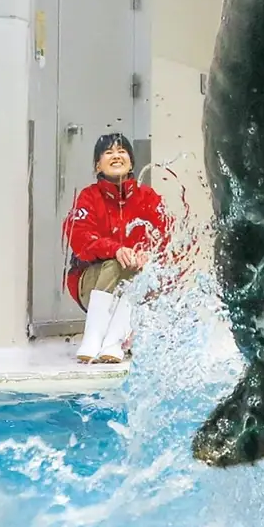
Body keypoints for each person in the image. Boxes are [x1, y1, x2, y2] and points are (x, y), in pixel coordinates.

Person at [62, 132, 176, 364]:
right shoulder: (89, 197)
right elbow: (78, 236)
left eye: (122, 151)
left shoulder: (148, 197)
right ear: (98, 165)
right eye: (108, 152)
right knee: (117, 264)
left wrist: (149, 255)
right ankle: (95, 337)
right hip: (93, 284)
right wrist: (114, 249)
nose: (116, 156)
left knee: (138, 270)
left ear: (131, 162)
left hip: (135, 285)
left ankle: (112, 342)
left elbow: (169, 238)